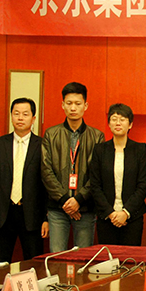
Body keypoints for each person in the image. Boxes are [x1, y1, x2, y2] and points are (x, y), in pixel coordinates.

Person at [0, 98, 48, 263]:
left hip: (32, 215)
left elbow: (47, 186)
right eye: (16, 113)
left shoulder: (42, 145)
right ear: (11, 116)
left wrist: (45, 218)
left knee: (34, 264)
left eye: (25, 114)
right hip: (3, 214)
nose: (20, 118)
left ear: (33, 118)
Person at [41, 82, 105, 252]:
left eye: (78, 103)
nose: (73, 108)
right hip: (57, 208)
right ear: (63, 105)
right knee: (56, 257)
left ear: (86, 106)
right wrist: (65, 200)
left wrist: (78, 200)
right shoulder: (51, 134)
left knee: (83, 258)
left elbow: (97, 175)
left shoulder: (97, 136)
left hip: (85, 208)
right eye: (69, 103)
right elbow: (46, 171)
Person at [89, 103, 146, 246]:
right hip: (106, 217)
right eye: (114, 119)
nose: (118, 123)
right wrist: (111, 213)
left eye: (122, 119)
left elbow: (142, 186)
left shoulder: (140, 149)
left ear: (130, 124)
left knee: (130, 258)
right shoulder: (100, 150)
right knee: (108, 257)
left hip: (132, 217)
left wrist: (125, 213)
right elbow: (95, 186)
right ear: (109, 123)